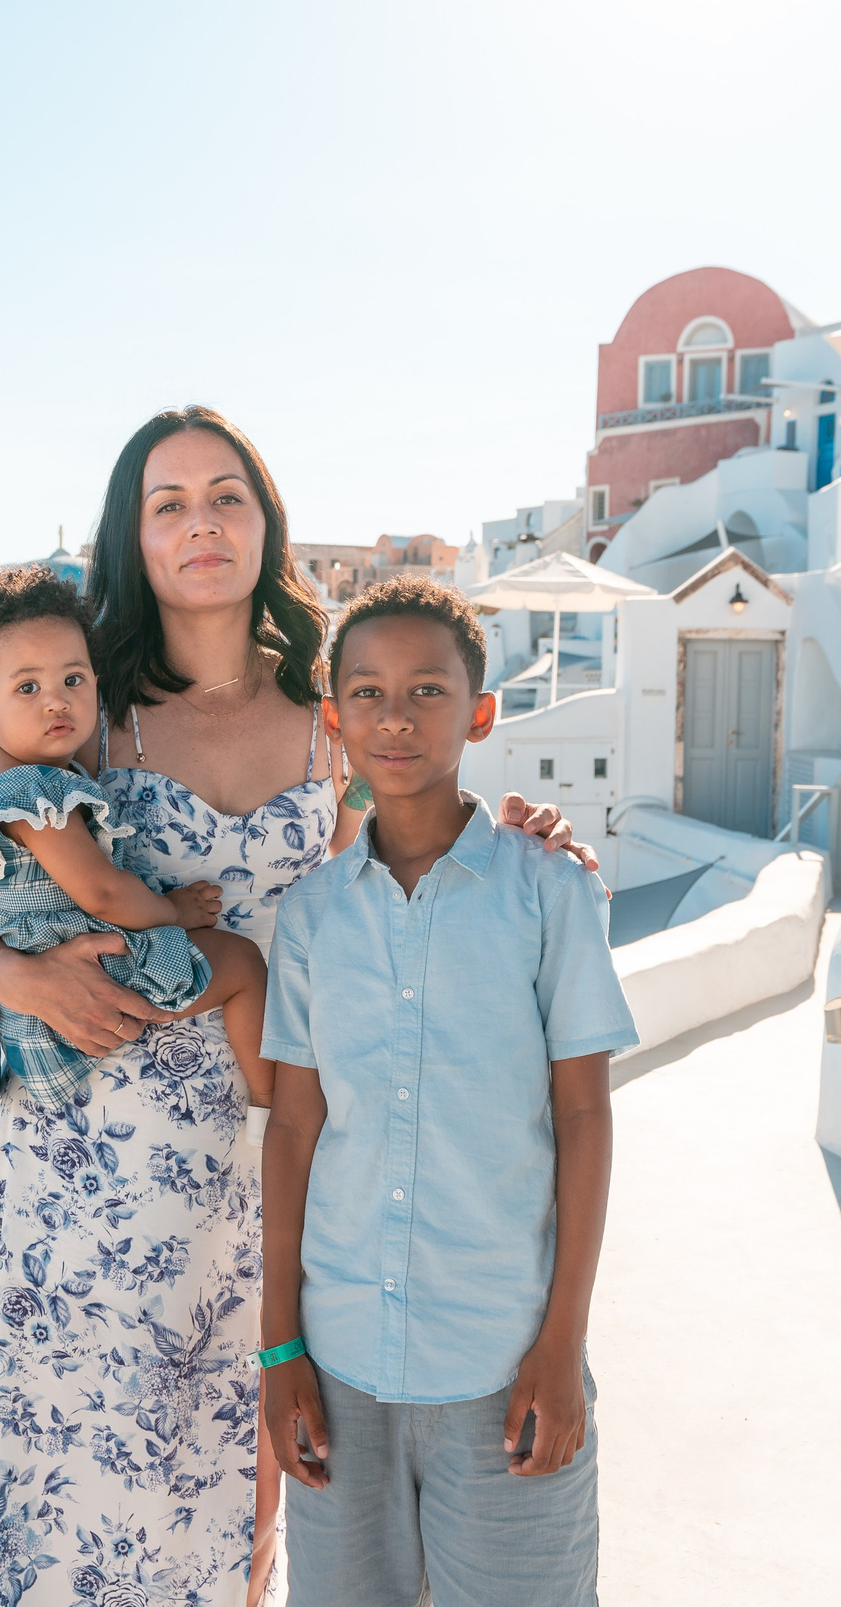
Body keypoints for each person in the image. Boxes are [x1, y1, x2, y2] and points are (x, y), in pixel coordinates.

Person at [0, 406, 589, 1607]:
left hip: (283, 1146)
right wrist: (23, 981)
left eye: (225, 495)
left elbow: (404, 836)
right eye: (166, 504)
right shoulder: (74, 705)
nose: (199, 525)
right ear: (133, 536)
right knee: (76, 1487)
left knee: (246, 1501)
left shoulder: (325, 710)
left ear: (264, 518)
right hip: (85, 1153)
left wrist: (528, 831)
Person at [258, 577, 637, 1607]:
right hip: (338, 1364)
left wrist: (562, 1346)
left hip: (502, 1358)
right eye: (368, 693)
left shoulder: (547, 889)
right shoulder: (313, 917)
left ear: (480, 712)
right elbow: (294, 1128)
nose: (395, 716)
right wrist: (279, 1345)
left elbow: (583, 1117)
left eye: (427, 690)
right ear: (333, 720)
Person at [0, 563, 271, 1122]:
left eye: (73, 681)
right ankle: (270, 1107)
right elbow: (102, 893)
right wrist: (174, 911)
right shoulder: (32, 793)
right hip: (87, 979)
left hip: (46, 1002)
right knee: (244, 965)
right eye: (28, 688)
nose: (56, 702)